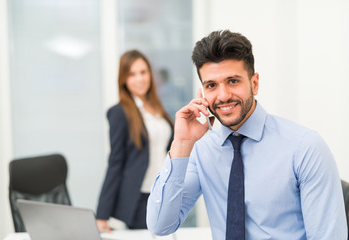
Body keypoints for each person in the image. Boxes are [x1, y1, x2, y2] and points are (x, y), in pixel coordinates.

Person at [146, 30, 347, 239]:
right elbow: (161, 226)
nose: (223, 96)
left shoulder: (305, 147)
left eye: (233, 81)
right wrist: (181, 143)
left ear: (254, 83)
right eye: (212, 85)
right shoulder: (201, 150)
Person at [96, 50, 173, 232]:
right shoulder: (120, 113)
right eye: (132, 74)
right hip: (141, 198)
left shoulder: (157, 107)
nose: (139, 79)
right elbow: (115, 162)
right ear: (124, 79)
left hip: (165, 193)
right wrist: (101, 215)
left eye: (143, 72)